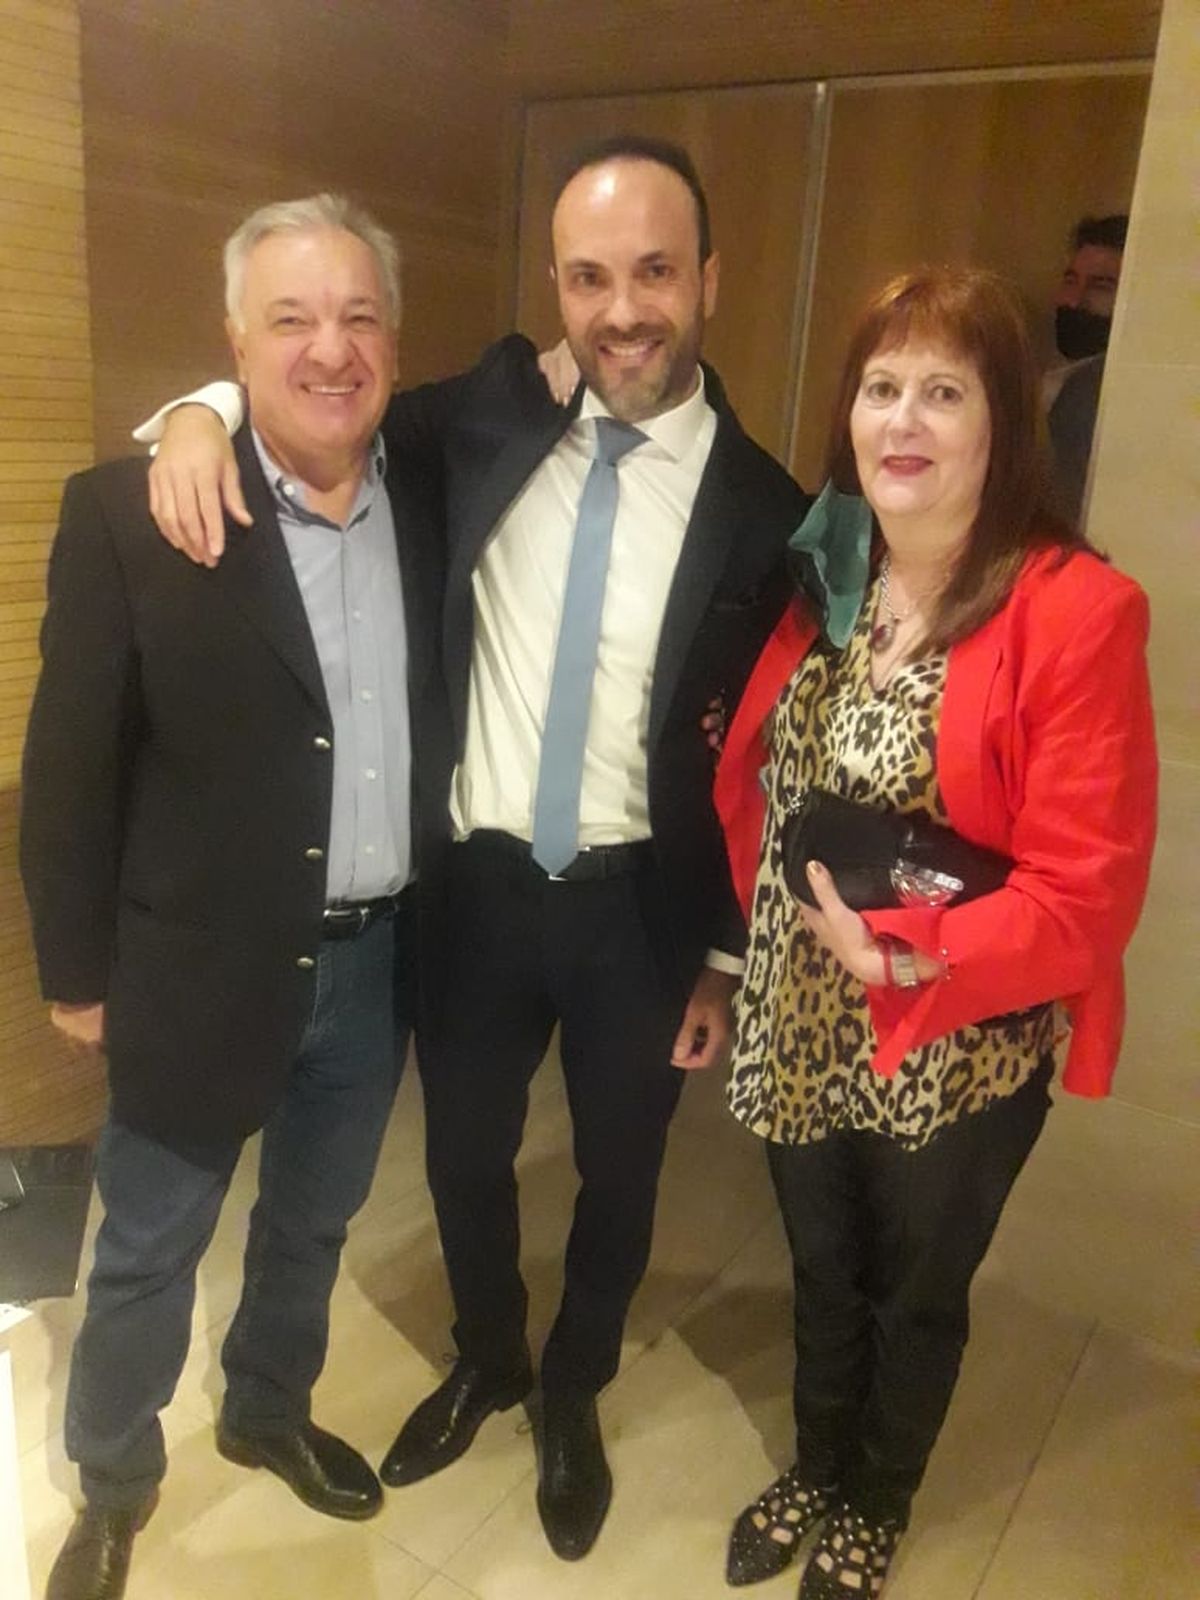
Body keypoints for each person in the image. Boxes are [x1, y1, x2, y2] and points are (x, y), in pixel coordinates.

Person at [135, 135, 811, 1560]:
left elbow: (759, 756)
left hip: (641, 910)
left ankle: (573, 1389)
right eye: (586, 276)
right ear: (553, 285)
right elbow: (318, 398)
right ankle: (493, 1354)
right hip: (479, 891)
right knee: (461, 1159)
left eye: (652, 273)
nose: (620, 309)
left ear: (709, 279)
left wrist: (723, 953)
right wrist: (193, 412)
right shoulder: (485, 428)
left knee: (622, 1176)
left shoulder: (767, 509)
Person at [20, 194, 447, 1600]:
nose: (332, 348)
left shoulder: (432, 488)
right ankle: (115, 1481)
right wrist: (78, 977)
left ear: (394, 335)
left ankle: (266, 1406)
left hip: (374, 962)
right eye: (290, 319)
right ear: (233, 341)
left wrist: (200, 404)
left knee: (312, 1223)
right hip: (195, 967)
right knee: (145, 1252)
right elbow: (69, 769)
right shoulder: (134, 511)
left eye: (360, 314)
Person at [713, 266, 1156, 1597]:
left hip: (953, 1026)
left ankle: (874, 1496)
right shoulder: (825, 578)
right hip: (803, 1001)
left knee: (915, 1286)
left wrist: (907, 957)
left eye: (944, 391)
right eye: (881, 385)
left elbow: (1087, 894)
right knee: (820, 1261)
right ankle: (813, 1459)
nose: (902, 419)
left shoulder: (1074, 608)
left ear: (1002, 423)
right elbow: (766, 784)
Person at [1044, 213, 1128, 521]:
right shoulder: (1056, 380)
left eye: (1101, 286)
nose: (1074, 300)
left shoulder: (1096, 389)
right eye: (1071, 280)